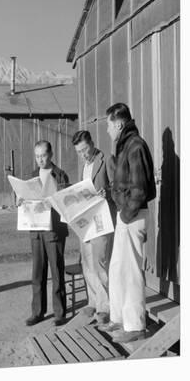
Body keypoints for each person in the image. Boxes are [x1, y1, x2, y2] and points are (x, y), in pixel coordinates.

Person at [100, 103, 156, 343]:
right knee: (117, 268)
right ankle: (119, 318)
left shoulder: (136, 146)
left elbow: (140, 188)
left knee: (131, 270)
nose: (108, 130)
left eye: (109, 125)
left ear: (119, 123)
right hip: (126, 215)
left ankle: (135, 326)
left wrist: (125, 214)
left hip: (132, 216)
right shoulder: (125, 146)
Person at [23, 140, 69, 327]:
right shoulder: (32, 176)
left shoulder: (60, 175)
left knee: (57, 271)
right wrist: (20, 200)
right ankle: (38, 312)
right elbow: (25, 198)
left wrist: (55, 200)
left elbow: (67, 201)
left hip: (54, 230)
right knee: (37, 273)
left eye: (43, 155)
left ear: (50, 155)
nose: (40, 160)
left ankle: (59, 313)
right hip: (36, 230)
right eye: (37, 156)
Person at [72, 130, 116, 325]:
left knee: (100, 263)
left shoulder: (106, 160)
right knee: (87, 263)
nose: (83, 155)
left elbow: (118, 186)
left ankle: (106, 307)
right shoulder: (83, 166)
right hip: (85, 221)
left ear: (92, 143)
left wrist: (107, 192)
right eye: (79, 152)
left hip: (102, 220)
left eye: (85, 150)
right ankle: (93, 301)